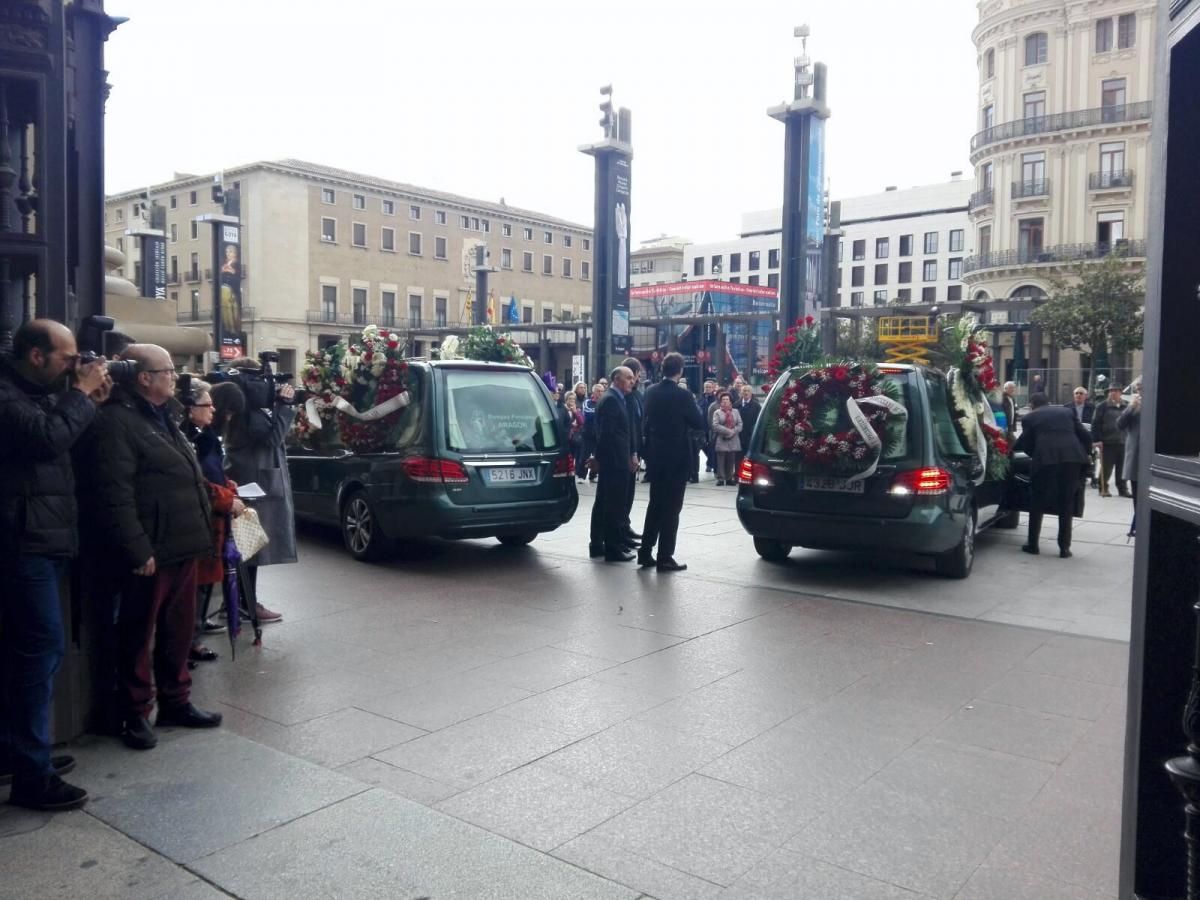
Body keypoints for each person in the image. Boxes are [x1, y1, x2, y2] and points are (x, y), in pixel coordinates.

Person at [81, 344, 223, 750]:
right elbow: (114, 492)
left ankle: (176, 701)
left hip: (181, 542)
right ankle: (135, 712)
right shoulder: (117, 422)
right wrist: (137, 548)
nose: (174, 376)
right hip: (151, 549)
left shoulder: (165, 418)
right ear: (144, 378)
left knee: (179, 630)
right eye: (167, 370)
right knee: (137, 633)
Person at [0, 320, 106, 810]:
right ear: (36, 356)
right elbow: (44, 440)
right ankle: (31, 775)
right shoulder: (7, 396)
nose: (75, 366)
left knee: (28, 653)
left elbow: (63, 445)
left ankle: (21, 753)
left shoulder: (38, 392)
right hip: (22, 543)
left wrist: (88, 402)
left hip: (42, 537)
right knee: (39, 650)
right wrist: (80, 396)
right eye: (67, 358)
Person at [221, 357, 297, 624]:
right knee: (248, 547)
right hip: (252, 481)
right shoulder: (249, 410)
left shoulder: (244, 407)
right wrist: (285, 408)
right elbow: (271, 439)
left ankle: (242, 601)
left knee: (245, 545)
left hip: (245, 476)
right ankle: (246, 603)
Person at [181, 379, 247, 664]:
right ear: (189, 409)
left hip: (211, 515)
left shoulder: (204, 435)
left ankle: (192, 635)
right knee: (196, 584)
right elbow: (197, 482)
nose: (214, 411)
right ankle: (188, 642)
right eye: (207, 405)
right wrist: (225, 497)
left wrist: (226, 485)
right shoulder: (195, 439)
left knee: (205, 581)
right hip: (201, 519)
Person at [639, 352, 705, 572]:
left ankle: (645, 551)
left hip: (656, 456)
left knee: (655, 504)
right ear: (680, 371)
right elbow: (698, 421)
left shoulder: (650, 392)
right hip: (677, 457)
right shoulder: (683, 396)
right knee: (672, 508)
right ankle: (665, 556)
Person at [1013, 392, 1092, 558]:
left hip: (1046, 462)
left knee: (1037, 501)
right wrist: (1085, 453)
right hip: (1073, 460)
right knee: (1066, 503)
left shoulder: (1030, 417)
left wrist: (1037, 452)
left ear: (1032, 405)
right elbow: (1085, 435)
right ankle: (1064, 548)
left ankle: (1033, 545)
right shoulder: (1067, 411)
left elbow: (1025, 444)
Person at [589, 366, 637, 562]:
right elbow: (606, 434)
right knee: (614, 505)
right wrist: (598, 459)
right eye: (629, 378)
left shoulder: (616, 398)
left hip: (614, 460)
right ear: (617, 380)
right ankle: (613, 547)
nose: (632, 381)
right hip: (614, 462)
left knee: (604, 502)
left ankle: (598, 544)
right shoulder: (610, 400)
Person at [619, 357, 644, 547]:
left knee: (629, 494)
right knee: (623, 494)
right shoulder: (624, 397)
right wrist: (632, 453)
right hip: (626, 453)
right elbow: (627, 428)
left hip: (636, 450)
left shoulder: (636, 396)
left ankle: (625, 526)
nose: (638, 378)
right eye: (637, 374)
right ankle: (620, 531)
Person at [1091, 385, 1129, 498]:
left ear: (1120, 392)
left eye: (1116, 391)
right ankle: (1103, 488)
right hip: (1107, 442)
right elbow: (1095, 424)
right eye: (1111, 391)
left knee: (1122, 468)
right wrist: (1097, 440)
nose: (1113, 393)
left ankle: (1123, 489)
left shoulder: (1126, 405)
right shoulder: (1102, 406)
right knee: (1106, 467)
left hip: (1123, 440)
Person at [1118, 378, 1142, 537]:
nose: (1139, 393)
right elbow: (1119, 424)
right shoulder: (1133, 407)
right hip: (1135, 456)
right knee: (1137, 495)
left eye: (1141, 389)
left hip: (1149, 457)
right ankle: (1138, 525)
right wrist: (1130, 408)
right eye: (1138, 390)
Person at [710, 392, 743, 486]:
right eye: (723, 400)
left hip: (733, 438)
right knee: (721, 459)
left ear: (730, 401)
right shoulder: (717, 412)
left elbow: (740, 424)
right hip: (722, 438)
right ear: (720, 401)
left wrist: (734, 431)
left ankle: (729, 478)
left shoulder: (735, 411)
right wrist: (728, 431)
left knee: (731, 459)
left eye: (727, 399)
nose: (725, 401)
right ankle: (720, 478)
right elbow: (715, 425)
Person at [735, 384, 761, 473]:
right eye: (744, 391)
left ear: (751, 393)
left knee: (749, 457)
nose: (746, 392)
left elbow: (758, 421)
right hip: (738, 435)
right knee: (738, 457)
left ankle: (748, 474)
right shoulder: (736, 405)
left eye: (748, 391)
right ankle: (737, 474)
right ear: (741, 392)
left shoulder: (756, 406)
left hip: (750, 436)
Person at [581, 383, 603, 483]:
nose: (601, 393)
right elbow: (587, 412)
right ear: (593, 392)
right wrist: (599, 411)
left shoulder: (604, 401)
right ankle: (581, 475)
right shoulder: (587, 402)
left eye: (602, 391)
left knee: (597, 455)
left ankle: (593, 475)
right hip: (588, 433)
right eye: (598, 391)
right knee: (585, 454)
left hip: (598, 434)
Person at [564, 392, 586, 481]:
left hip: (575, 437)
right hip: (566, 437)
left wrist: (575, 412)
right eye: (570, 399)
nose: (572, 401)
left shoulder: (577, 410)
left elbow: (581, 422)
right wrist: (571, 425)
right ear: (566, 400)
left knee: (577, 455)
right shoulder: (563, 409)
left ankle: (575, 473)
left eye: (573, 399)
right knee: (568, 456)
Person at [698, 380, 718, 474]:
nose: (707, 389)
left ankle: (710, 464)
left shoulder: (715, 400)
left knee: (711, 446)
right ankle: (711, 461)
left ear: (713, 388)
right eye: (706, 387)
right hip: (702, 427)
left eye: (709, 387)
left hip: (711, 427)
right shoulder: (700, 399)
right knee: (702, 445)